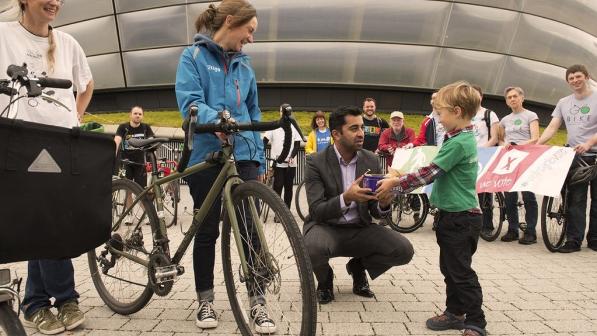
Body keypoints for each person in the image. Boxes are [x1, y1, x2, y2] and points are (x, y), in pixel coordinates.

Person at [174, 1, 276, 333]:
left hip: (244, 154)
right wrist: (213, 119)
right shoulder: (192, 57)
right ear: (230, 22)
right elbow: (190, 102)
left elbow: (254, 112)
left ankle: (257, 302)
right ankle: (205, 299)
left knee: (249, 228)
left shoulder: (245, 67)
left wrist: (259, 158)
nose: (251, 39)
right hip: (206, 153)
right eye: (249, 31)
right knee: (206, 230)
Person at [0, 0, 94, 334]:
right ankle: (64, 298)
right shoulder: (3, 35)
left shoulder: (68, 43)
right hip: (20, 145)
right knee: (48, 221)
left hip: (62, 144)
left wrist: (75, 118)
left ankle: (36, 302)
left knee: (48, 222)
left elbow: (86, 84)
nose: (55, 2)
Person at [377, 81, 487, 336]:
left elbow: (430, 174)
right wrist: (401, 173)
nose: (438, 118)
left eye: (441, 113)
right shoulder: (455, 139)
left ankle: (476, 322)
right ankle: (454, 313)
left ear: (457, 112)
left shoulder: (460, 143)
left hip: (462, 218)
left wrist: (396, 183)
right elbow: (430, 168)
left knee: (461, 273)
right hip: (452, 217)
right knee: (450, 268)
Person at [303, 105, 414, 305]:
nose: (361, 133)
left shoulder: (370, 159)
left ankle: (358, 267)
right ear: (336, 134)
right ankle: (325, 279)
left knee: (403, 250)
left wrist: (383, 204)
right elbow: (316, 211)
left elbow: (375, 211)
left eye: (362, 127)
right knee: (312, 246)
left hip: (360, 229)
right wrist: (346, 197)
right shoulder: (315, 162)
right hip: (326, 227)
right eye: (354, 129)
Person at [537, 64, 597, 253]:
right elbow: (553, 127)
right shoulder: (564, 102)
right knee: (576, 199)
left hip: (594, 154)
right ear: (567, 81)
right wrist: (538, 143)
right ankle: (573, 240)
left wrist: (588, 144)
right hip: (574, 156)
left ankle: (594, 239)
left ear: (586, 77)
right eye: (571, 78)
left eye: (578, 76)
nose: (575, 80)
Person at [499, 87, 539, 244]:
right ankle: (512, 229)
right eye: (509, 97)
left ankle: (530, 232)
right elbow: (501, 139)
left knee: (528, 195)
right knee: (509, 196)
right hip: (510, 160)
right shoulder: (504, 120)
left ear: (522, 98)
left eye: (515, 96)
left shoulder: (531, 115)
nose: (512, 99)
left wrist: (519, 145)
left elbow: (535, 138)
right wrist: (505, 144)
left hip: (527, 157)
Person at [471, 85, 500, 239]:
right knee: (470, 191)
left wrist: (481, 150)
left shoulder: (489, 114)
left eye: (476, 94)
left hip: (485, 155)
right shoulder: (465, 114)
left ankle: (487, 225)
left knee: (485, 192)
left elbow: (494, 137)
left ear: (481, 96)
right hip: (469, 158)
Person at [263, 104, 302, 209]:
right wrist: (260, 151)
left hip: (291, 163)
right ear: (279, 112)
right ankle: (279, 211)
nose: (283, 113)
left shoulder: (294, 126)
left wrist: (292, 156)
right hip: (277, 162)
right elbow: (265, 140)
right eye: (282, 111)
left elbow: (297, 144)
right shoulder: (274, 125)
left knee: (288, 188)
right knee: (278, 186)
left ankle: (287, 210)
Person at [114, 106, 154, 188]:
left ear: (142, 116)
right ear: (130, 115)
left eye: (140, 114)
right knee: (128, 189)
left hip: (141, 163)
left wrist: (153, 158)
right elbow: (117, 141)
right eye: (135, 113)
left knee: (141, 189)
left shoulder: (146, 127)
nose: (137, 115)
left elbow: (151, 142)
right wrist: (112, 155)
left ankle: (141, 201)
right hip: (126, 163)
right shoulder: (123, 127)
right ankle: (129, 201)